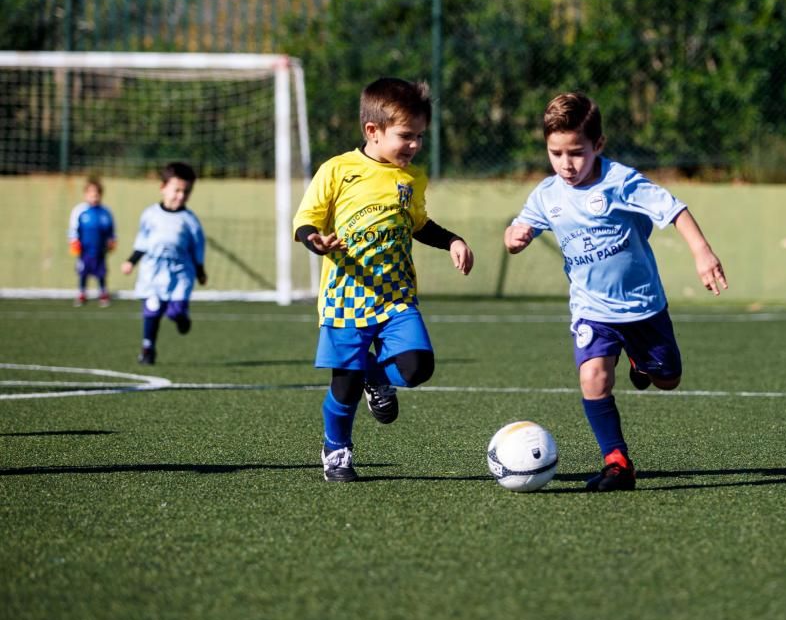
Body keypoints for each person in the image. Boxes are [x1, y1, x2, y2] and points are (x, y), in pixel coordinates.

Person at [503, 92, 727, 492]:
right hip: (592, 310)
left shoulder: (621, 181)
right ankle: (617, 462)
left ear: (598, 146)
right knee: (592, 377)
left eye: (576, 152)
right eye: (556, 153)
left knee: (668, 379)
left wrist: (702, 252)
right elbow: (522, 226)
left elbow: (673, 209)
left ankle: (642, 364)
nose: (566, 164)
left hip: (643, 307)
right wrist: (515, 237)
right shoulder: (546, 194)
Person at [293, 77, 474, 483]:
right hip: (346, 297)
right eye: (406, 136)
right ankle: (336, 450)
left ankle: (376, 375)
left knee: (416, 368)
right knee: (345, 385)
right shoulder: (338, 170)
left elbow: (419, 224)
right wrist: (315, 240)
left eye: (420, 137)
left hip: (395, 296)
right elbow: (306, 219)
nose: (414, 145)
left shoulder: (411, 179)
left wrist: (452, 241)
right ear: (372, 131)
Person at [120, 162, 207, 366]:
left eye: (186, 192)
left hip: (180, 273)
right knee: (152, 307)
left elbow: (198, 248)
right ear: (163, 188)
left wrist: (200, 271)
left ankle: (181, 319)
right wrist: (131, 261)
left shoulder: (190, 220)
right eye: (176, 190)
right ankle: (148, 348)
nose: (180, 196)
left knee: (174, 311)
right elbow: (142, 242)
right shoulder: (150, 215)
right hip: (153, 272)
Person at [68, 177, 116, 307]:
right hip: (84, 250)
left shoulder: (105, 212)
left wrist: (112, 240)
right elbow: (73, 229)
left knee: (101, 272)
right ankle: (82, 293)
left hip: (100, 249)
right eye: (91, 194)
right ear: (86, 194)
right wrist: (74, 242)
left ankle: (103, 293)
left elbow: (111, 230)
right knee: (83, 272)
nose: (94, 197)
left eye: (97, 194)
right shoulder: (80, 211)